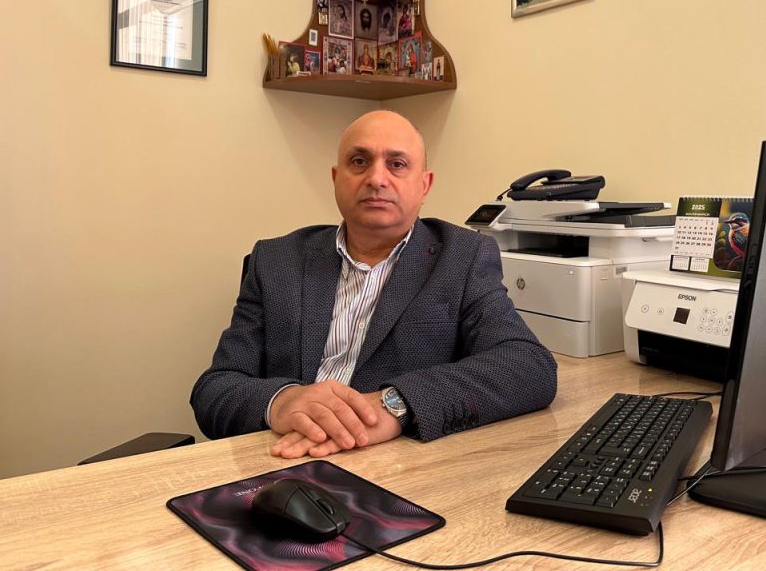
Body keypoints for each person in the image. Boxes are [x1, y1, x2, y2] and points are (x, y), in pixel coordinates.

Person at [191, 111, 557, 459]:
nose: (376, 178)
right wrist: (280, 400)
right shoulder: (276, 260)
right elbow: (214, 388)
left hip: (392, 467)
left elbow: (529, 366)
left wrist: (395, 403)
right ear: (336, 178)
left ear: (424, 185)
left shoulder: (462, 258)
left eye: (397, 164)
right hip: (279, 459)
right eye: (359, 161)